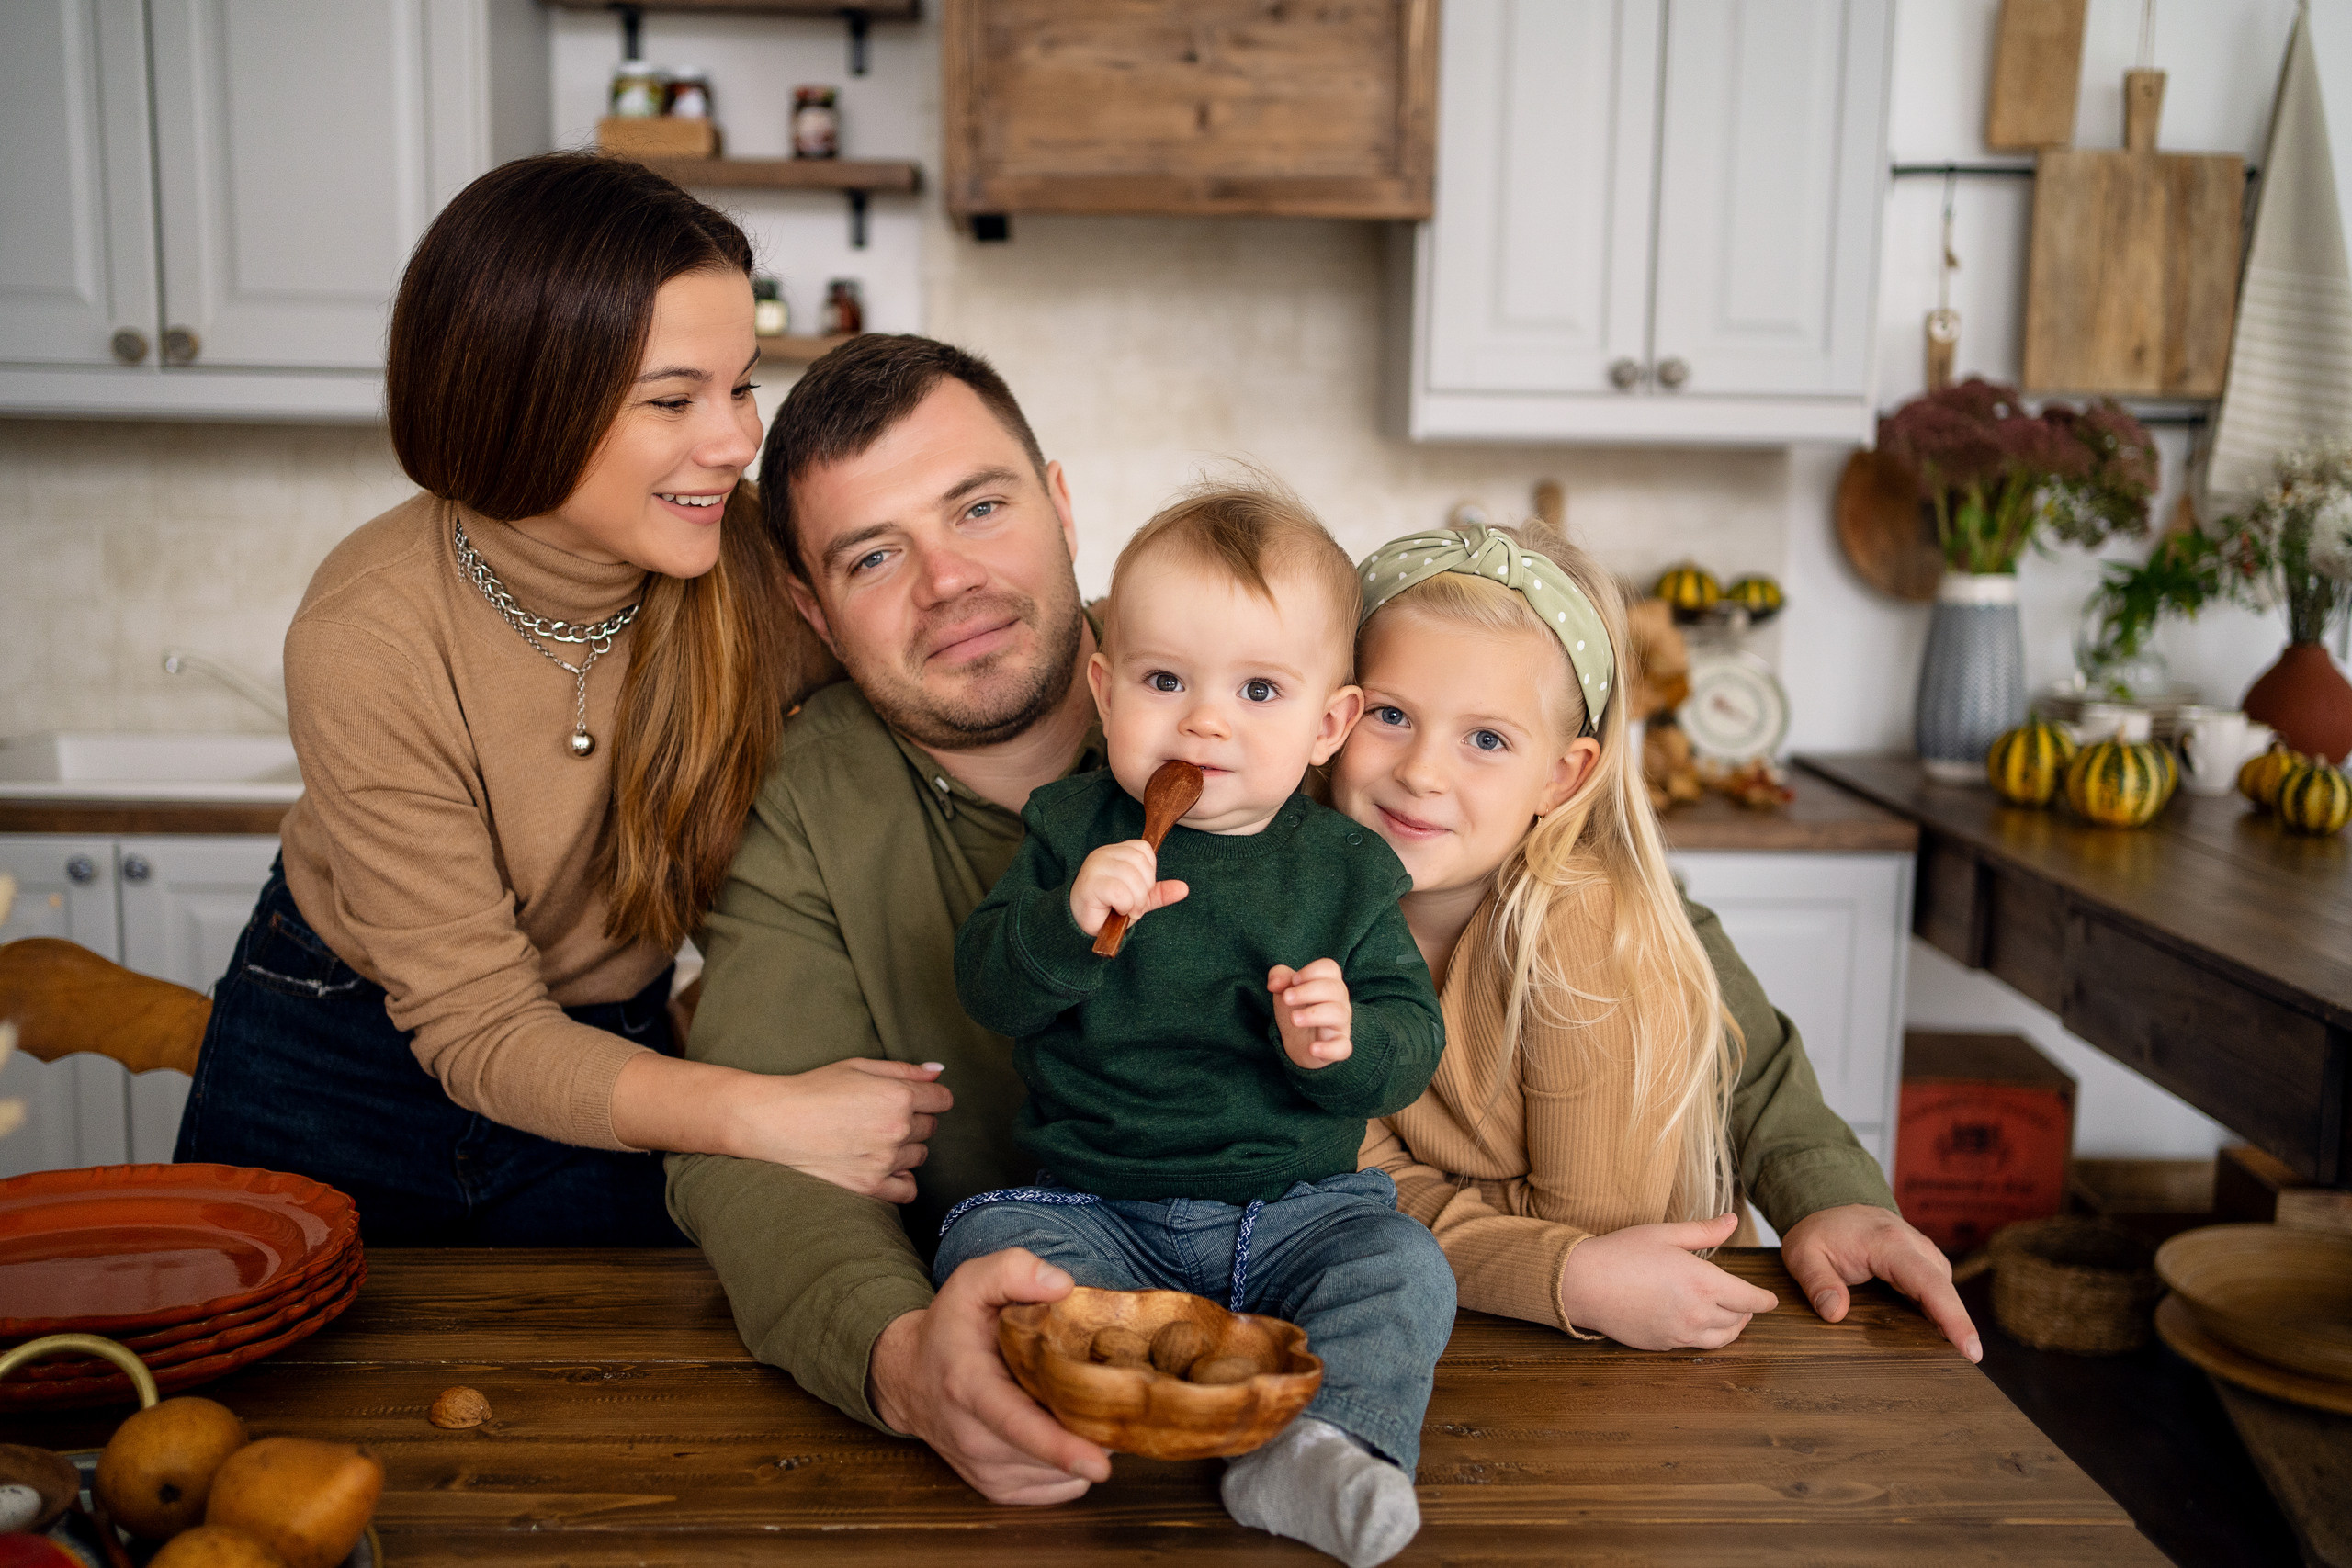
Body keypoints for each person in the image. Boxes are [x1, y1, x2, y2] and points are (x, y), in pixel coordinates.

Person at [669, 333, 1972, 1510]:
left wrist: (1822, 1181)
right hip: (1063, 1333)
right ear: (808, 603)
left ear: (1060, 506)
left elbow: (1634, 908)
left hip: (1398, 1308)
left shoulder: (1254, 669)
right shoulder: (813, 795)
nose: (951, 579)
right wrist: (899, 1358)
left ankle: (1330, 1460)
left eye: (981, 506)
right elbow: (744, 1134)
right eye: (874, 552)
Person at [175, 153, 948, 1245]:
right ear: (523, 399)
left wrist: (1227, 679)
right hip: (332, 1064)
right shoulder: (367, 634)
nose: (735, 442)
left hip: (614, 1056)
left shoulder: (751, 570)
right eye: (673, 399)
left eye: (741, 386)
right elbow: (480, 1027)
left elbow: (962, 645)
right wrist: (761, 1112)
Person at [943, 490, 1449, 1566]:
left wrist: (1344, 1042)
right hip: (1098, 1207)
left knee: (1405, 1266)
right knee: (987, 1245)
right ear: (1103, 687)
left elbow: (1411, 1037)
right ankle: (1067, 1407)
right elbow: (987, 990)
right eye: (1164, 680)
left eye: (1258, 689)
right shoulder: (1070, 830)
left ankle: (1317, 1451)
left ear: (1328, 724)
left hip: (1298, 1210)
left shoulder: (1347, 872)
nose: (1203, 721)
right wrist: (1063, 922)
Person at [1337, 522, 1978, 1359]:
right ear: (1333, 717)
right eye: (1390, 714)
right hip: (1438, 1317)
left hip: (1627, 1343)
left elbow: (1747, 1054)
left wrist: (1833, 1194)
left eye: (1486, 738)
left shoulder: (1595, 918)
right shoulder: (1294, 907)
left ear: (1563, 775)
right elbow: (1335, 1180)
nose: (1423, 772)